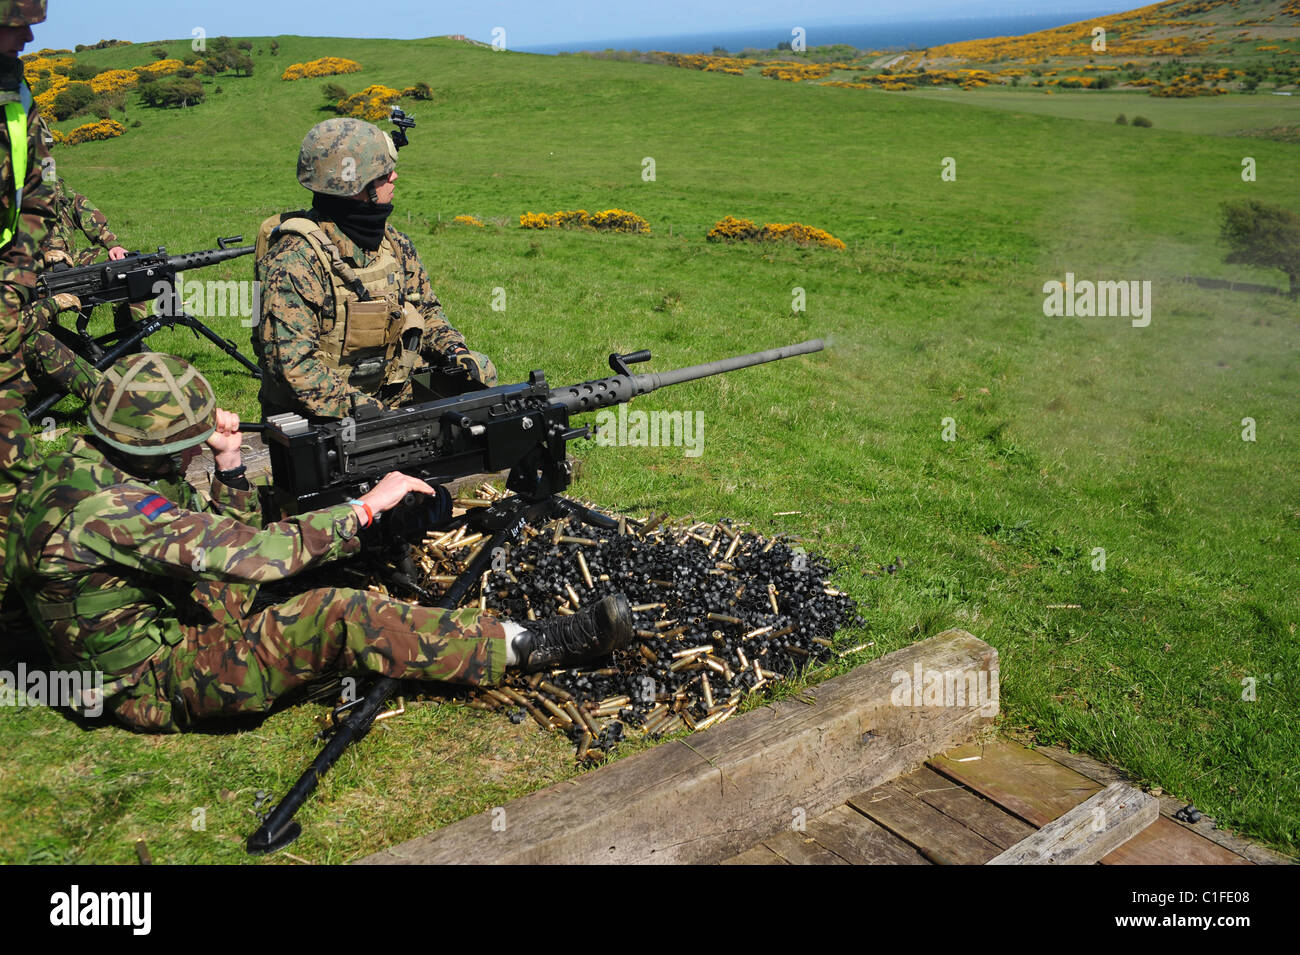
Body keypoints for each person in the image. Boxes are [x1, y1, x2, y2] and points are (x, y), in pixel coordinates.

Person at [6, 351, 633, 731]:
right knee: (334, 612)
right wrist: (365, 507)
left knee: (316, 566)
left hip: (149, 625)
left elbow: (225, 542)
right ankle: (531, 646)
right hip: (149, 682)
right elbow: (254, 557)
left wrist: (227, 464)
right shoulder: (113, 510)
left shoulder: (73, 470)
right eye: (188, 441)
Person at [254, 117, 496, 422]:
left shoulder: (393, 243)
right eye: (382, 174)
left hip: (389, 392)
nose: (394, 177)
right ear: (355, 185)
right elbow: (294, 369)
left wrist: (455, 350)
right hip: (324, 412)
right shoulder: (295, 260)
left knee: (482, 372)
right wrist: (369, 412)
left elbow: (427, 310)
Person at [0, 0, 58, 609]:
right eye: (13, 23)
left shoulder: (15, 86)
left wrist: (16, 278)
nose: (25, 37)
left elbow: (38, 189)